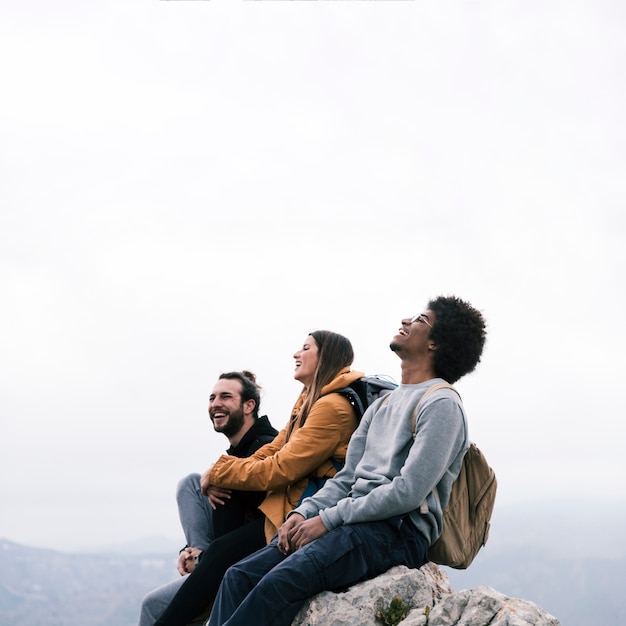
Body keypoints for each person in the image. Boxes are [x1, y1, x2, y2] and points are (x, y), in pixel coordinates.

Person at [206, 295, 487, 626]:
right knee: (238, 576)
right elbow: (347, 477)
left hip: (396, 531)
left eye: (420, 321)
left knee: (278, 585)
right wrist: (303, 513)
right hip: (353, 520)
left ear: (436, 344)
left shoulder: (441, 404)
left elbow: (408, 492)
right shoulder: (382, 405)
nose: (406, 321)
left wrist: (327, 520)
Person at [145, 330, 365, 626]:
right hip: (288, 506)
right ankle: (201, 561)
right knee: (197, 486)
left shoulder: (332, 407)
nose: (295, 355)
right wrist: (220, 469)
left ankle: (202, 572)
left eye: (305, 348)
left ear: (325, 357)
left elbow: (282, 467)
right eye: (212, 397)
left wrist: (221, 472)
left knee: (225, 557)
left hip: (308, 509)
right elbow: (276, 449)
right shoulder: (308, 402)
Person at [138, 370, 278, 625]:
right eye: (212, 397)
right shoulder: (238, 451)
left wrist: (216, 475)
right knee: (190, 483)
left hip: (249, 553)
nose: (215, 404)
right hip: (223, 547)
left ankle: (204, 570)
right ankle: (198, 556)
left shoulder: (267, 445)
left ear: (249, 406)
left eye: (226, 397)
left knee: (152, 606)